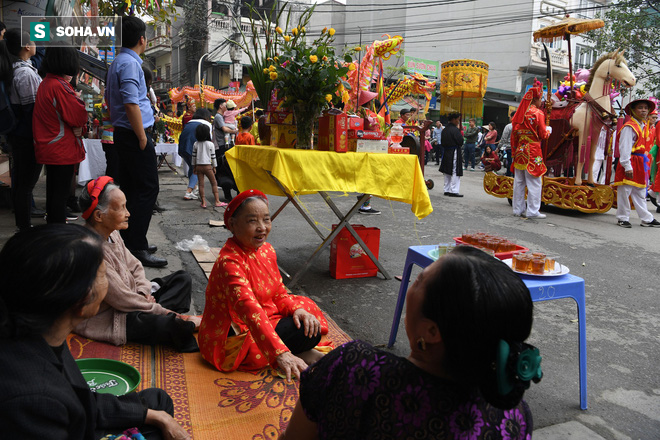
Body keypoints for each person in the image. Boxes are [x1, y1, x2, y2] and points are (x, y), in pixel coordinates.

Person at [280, 245, 540, 440]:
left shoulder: (355, 368)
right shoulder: (512, 418)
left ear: (431, 331)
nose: (409, 288)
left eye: (419, 280)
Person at [0, 224, 190, 440]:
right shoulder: (34, 400)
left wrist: (154, 416)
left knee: (157, 402)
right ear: (81, 301)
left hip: (76, 419)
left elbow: (82, 400)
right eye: (102, 275)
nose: (108, 283)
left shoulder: (43, 330)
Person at [199, 189, 329, 381]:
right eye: (252, 221)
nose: (262, 227)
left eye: (266, 219)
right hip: (237, 331)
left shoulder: (267, 250)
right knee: (300, 332)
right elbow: (249, 311)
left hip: (267, 316)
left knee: (307, 312)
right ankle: (291, 352)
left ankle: (297, 350)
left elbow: (279, 294)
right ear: (233, 225)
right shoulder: (229, 262)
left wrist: (296, 310)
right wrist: (279, 353)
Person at [76, 177, 200, 352]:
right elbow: (121, 299)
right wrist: (164, 312)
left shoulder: (112, 233)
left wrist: (143, 292)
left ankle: (165, 315)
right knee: (167, 324)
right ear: (98, 216)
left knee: (182, 278)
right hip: (112, 315)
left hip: (133, 298)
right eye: (121, 208)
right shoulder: (91, 250)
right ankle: (174, 320)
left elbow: (135, 265)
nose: (128, 213)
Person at [105, 16, 166, 267]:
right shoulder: (130, 64)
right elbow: (131, 103)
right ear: (143, 39)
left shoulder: (119, 61)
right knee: (147, 188)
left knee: (131, 188)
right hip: (133, 134)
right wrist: (142, 137)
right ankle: (137, 246)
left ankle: (130, 239)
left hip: (126, 133)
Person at [33, 47, 88, 224]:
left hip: (52, 146)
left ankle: (54, 228)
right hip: (61, 148)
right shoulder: (59, 86)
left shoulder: (47, 83)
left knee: (54, 192)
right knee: (60, 195)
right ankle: (58, 232)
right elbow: (78, 115)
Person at [4, 29, 43, 231]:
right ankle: (24, 227)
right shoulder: (26, 74)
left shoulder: (14, 69)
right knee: (25, 185)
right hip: (27, 136)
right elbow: (33, 111)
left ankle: (22, 225)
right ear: (27, 46)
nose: (36, 44)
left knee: (20, 183)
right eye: (34, 41)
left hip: (18, 134)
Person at [612, 99, 660, 228]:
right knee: (625, 190)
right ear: (633, 110)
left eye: (645, 108)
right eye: (640, 108)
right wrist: (627, 165)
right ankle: (622, 217)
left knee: (639, 191)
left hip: (640, 161)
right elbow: (624, 147)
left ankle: (646, 218)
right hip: (630, 161)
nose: (644, 110)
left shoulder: (644, 125)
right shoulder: (629, 127)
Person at [512, 86, 551, 219]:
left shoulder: (520, 113)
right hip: (533, 150)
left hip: (520, 150)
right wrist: (548, 130)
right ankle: (533, 211)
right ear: (535, 100)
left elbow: (514, 135)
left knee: (519, 182)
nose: (542, 102)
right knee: (534, 182)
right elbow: (543, 134)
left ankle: (517, 209)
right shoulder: (538, 113)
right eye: (541, 99)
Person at [178, 108, 212, 201]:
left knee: (192, 168)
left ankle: (194, 188)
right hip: (195, 148)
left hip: (183, 148)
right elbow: (208, 141)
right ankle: (189, 191)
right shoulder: (206, 124)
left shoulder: (190, 122)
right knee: (196, 170)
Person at [212, 98, 239, 201]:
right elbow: (224, 129)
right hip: (222, 146)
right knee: (224, 169)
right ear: (220, 106)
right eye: (224, 104)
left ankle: (229, 192)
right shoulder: (218, 117)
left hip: (225, 145)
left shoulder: (222, 116)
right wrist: (235, 131)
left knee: (228, 169)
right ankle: (227, 193)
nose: (226, 106)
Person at [192, 124, 223, 208]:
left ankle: (203, 202)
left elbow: (193, 156)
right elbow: (213, 157)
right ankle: (217, 201)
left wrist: (194, 167)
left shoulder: (196, 144)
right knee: (213, 183)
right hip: (208, 166)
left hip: (198, 166)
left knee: (201, 185)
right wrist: (214, 166)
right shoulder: (210, 144)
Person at [440, 112, 464, 197]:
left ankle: (446, 189)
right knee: (454, 170)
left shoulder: (445, 129)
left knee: (447, 170)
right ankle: (453, 190)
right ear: (453, 119)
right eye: (457, 119)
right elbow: (460, 141)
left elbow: (442, 142)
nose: (458, 121)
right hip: (454, 151)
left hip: (446, 151)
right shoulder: (455, 130)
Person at [499, 111, 515, 177]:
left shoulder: (509, 126)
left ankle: (509, 175)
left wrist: (499, 147)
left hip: (509, 147)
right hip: (519, 149)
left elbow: (504, 138)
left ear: (512, 117)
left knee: (510, 163)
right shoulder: (521, 126)